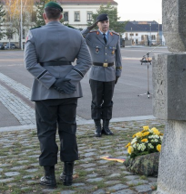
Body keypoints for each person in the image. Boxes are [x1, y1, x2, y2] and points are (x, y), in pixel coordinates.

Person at [24, 2, 92, 188]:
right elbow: (86, 62)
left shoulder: (35, 34)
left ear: (44, 16)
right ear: (61, 16)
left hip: (45, 91)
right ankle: (68, 174)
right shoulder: (76, 34)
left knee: (46, 132)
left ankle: (49, 177)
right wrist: (69, 81)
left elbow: (30, 64)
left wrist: (52, 82)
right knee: (68, 131)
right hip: (69, 92)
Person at [82, 13, 122, 137]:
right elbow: (79, 36)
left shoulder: (115, 36)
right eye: (102, 22)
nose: (105, 24)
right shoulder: (92, 36)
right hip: (96, 74)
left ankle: (106, 127)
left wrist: (118, 72)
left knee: (108, 102)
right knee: (96, 102)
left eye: (106, 22)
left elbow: (118, 56)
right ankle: (97, 128)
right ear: (98, 23)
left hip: (110, 74)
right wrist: (90, 27)